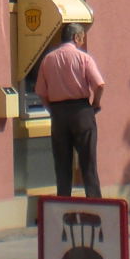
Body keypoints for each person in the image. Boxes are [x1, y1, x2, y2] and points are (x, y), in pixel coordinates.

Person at [33, 22, 105, 199]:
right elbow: (99, 84)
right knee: (88, 162)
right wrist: (95, 103)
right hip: (81, 111)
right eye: (82, 38)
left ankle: (62, 204)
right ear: (76, 37)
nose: (82, 42)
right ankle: (95, 204)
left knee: (62, 164)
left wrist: (52, 109)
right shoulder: (83, 58)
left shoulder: (48, 59)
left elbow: (40, 92)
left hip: (58, 114)